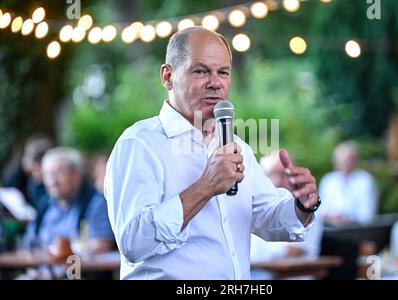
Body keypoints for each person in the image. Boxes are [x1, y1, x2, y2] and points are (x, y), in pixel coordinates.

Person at [104, 27, 320, 280]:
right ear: (167, 76)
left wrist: (302, 205)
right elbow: (133, 242)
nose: (215, 83)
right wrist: (206, 186)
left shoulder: (237, 145)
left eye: (223, 72)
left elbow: (267, 217)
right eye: (200, 71)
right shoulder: (139, 144)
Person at [24, 147, 115, 254]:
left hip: (77, 269)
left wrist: (65, 252)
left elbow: (102, 244)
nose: (52, 182)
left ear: (76, 175)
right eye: (47, 175)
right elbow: (29, 242)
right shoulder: (44, 205)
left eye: (57, 174)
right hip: (41, 268)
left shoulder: (95, 202)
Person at [251, 151, 323, 263]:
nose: (277, 181)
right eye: (271, 174)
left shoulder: (308, 207)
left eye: (283, 174)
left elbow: (296, 251)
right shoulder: (254, 206)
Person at [318, 141, 378, 227]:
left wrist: (345, 218)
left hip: (356, 230)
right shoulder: (328, 180)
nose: (344, 164)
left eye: (347, 160)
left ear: (355, 160)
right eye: (340, 161)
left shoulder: (366, 180)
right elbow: (320, 210)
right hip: (329, 229)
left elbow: (367, 214)